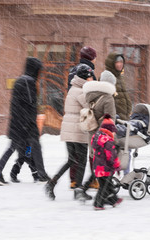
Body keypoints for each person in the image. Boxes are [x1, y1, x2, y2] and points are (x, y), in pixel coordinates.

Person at [0, 57, 50, 185]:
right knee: (35, 147)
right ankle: (41, 175)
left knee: (12, 148)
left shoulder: (20, 81)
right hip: (25, 124)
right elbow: (30, 105)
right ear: (35, 70)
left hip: (17, 122)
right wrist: (30, 124)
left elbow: (17, 105)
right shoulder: (29, 82)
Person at [45, 64, 94, 200]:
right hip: (77, 130)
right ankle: (78, 189)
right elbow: (91, 106)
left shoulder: (74, 88)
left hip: (69, 129)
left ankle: (52, 182)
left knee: (71, 160)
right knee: (82, 160)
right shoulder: (81, 91)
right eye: (90, 77)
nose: (91, 80)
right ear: (85, 77)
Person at [74, 70, 117, 198]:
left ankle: (106, 194)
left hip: (92, 135)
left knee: (98, 164)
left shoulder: (92, 94)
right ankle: (101, 195)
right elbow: (109, 120)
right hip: (103, 137)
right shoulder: (108, 98)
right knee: (105, 166)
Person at [68, 46, 99, 190]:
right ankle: (93, 179)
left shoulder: (73, 71)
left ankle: (74, 180)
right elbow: (93, 95)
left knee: (75, 152)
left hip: (74, 113)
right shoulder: (88, 71)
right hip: (86, 115)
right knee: (92, 149)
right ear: (92, 58)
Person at [105, 52, 132, 175]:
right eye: (117, 62)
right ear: (112, 63)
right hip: (116, 119)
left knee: (126, 147)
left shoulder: (120, 77)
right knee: (119, 147)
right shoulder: (108, 78)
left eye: (121, 62)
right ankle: (116, 173)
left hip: (124, 118)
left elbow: (123, 96)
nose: (120, 64)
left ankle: (125, 172)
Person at [91, 114, 122, 210]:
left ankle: (113, 200)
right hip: (106, 167)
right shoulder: (108, 141)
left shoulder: (96, 137)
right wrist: (116, 165)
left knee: (107, 185)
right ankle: (98, 204)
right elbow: (111, 156)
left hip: (97, 167)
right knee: (104, 187)